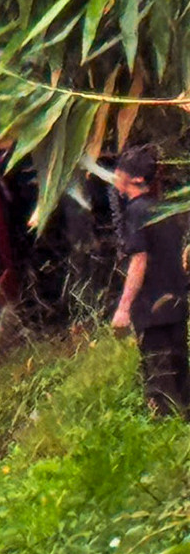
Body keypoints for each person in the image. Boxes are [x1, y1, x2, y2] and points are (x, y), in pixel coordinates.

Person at [112, 144, 188, 415]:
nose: (115, 175)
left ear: (137, 179)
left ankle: (167, 436)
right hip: (176, 303)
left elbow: (139, 259)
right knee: (181, 375)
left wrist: (123, 309)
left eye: (120, 172)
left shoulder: (136, 211)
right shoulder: (164, 207)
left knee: (160, 383)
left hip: (152, 311)